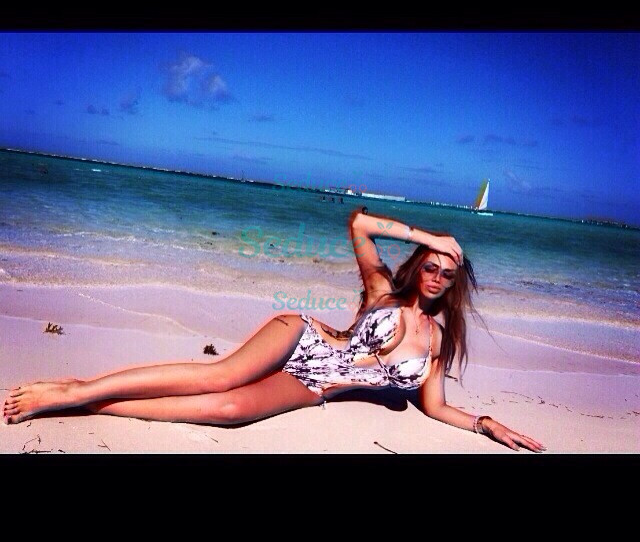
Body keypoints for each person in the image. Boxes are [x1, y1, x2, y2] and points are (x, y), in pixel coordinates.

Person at [3, 208, 546, 453]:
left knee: (229, 411)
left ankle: (93, 405)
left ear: (454, 284)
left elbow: (435, 406)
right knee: (216, 378)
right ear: (419, 263)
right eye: (430, 265)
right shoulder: (383, 290)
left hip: (317, 385)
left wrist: (485, 424)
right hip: (302, 336)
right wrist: (431, 236)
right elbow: (359, 223)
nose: (436, 276)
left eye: (447, 273)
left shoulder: (439, 342)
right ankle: (76, 390)